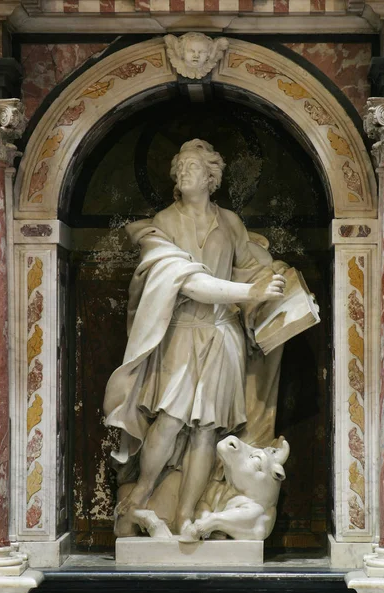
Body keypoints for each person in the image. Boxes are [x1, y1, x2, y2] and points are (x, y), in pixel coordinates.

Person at [103, 139, 286, 535]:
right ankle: (143, 495)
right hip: (180, 334)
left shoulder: (230, 223)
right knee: (168, 420)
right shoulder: (164, 223)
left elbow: (254, 265)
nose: (183, 172)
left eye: (192, 166)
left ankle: (186, 515)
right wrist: (251, 292)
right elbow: (189, 283)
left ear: (211, 177)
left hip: (222, 337)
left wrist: (278, 276)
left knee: (207, 430)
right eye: (179, 167)